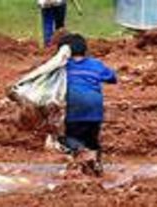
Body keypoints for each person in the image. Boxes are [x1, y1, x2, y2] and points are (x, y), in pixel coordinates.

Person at [58, 34, 117, 176]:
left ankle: (79, 157)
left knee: (67, 138)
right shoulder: (96, 64)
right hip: (95, 110)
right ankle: (95, 165)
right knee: (92, 139)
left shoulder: (63, 67)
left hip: (74, 109)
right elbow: (112, 78)